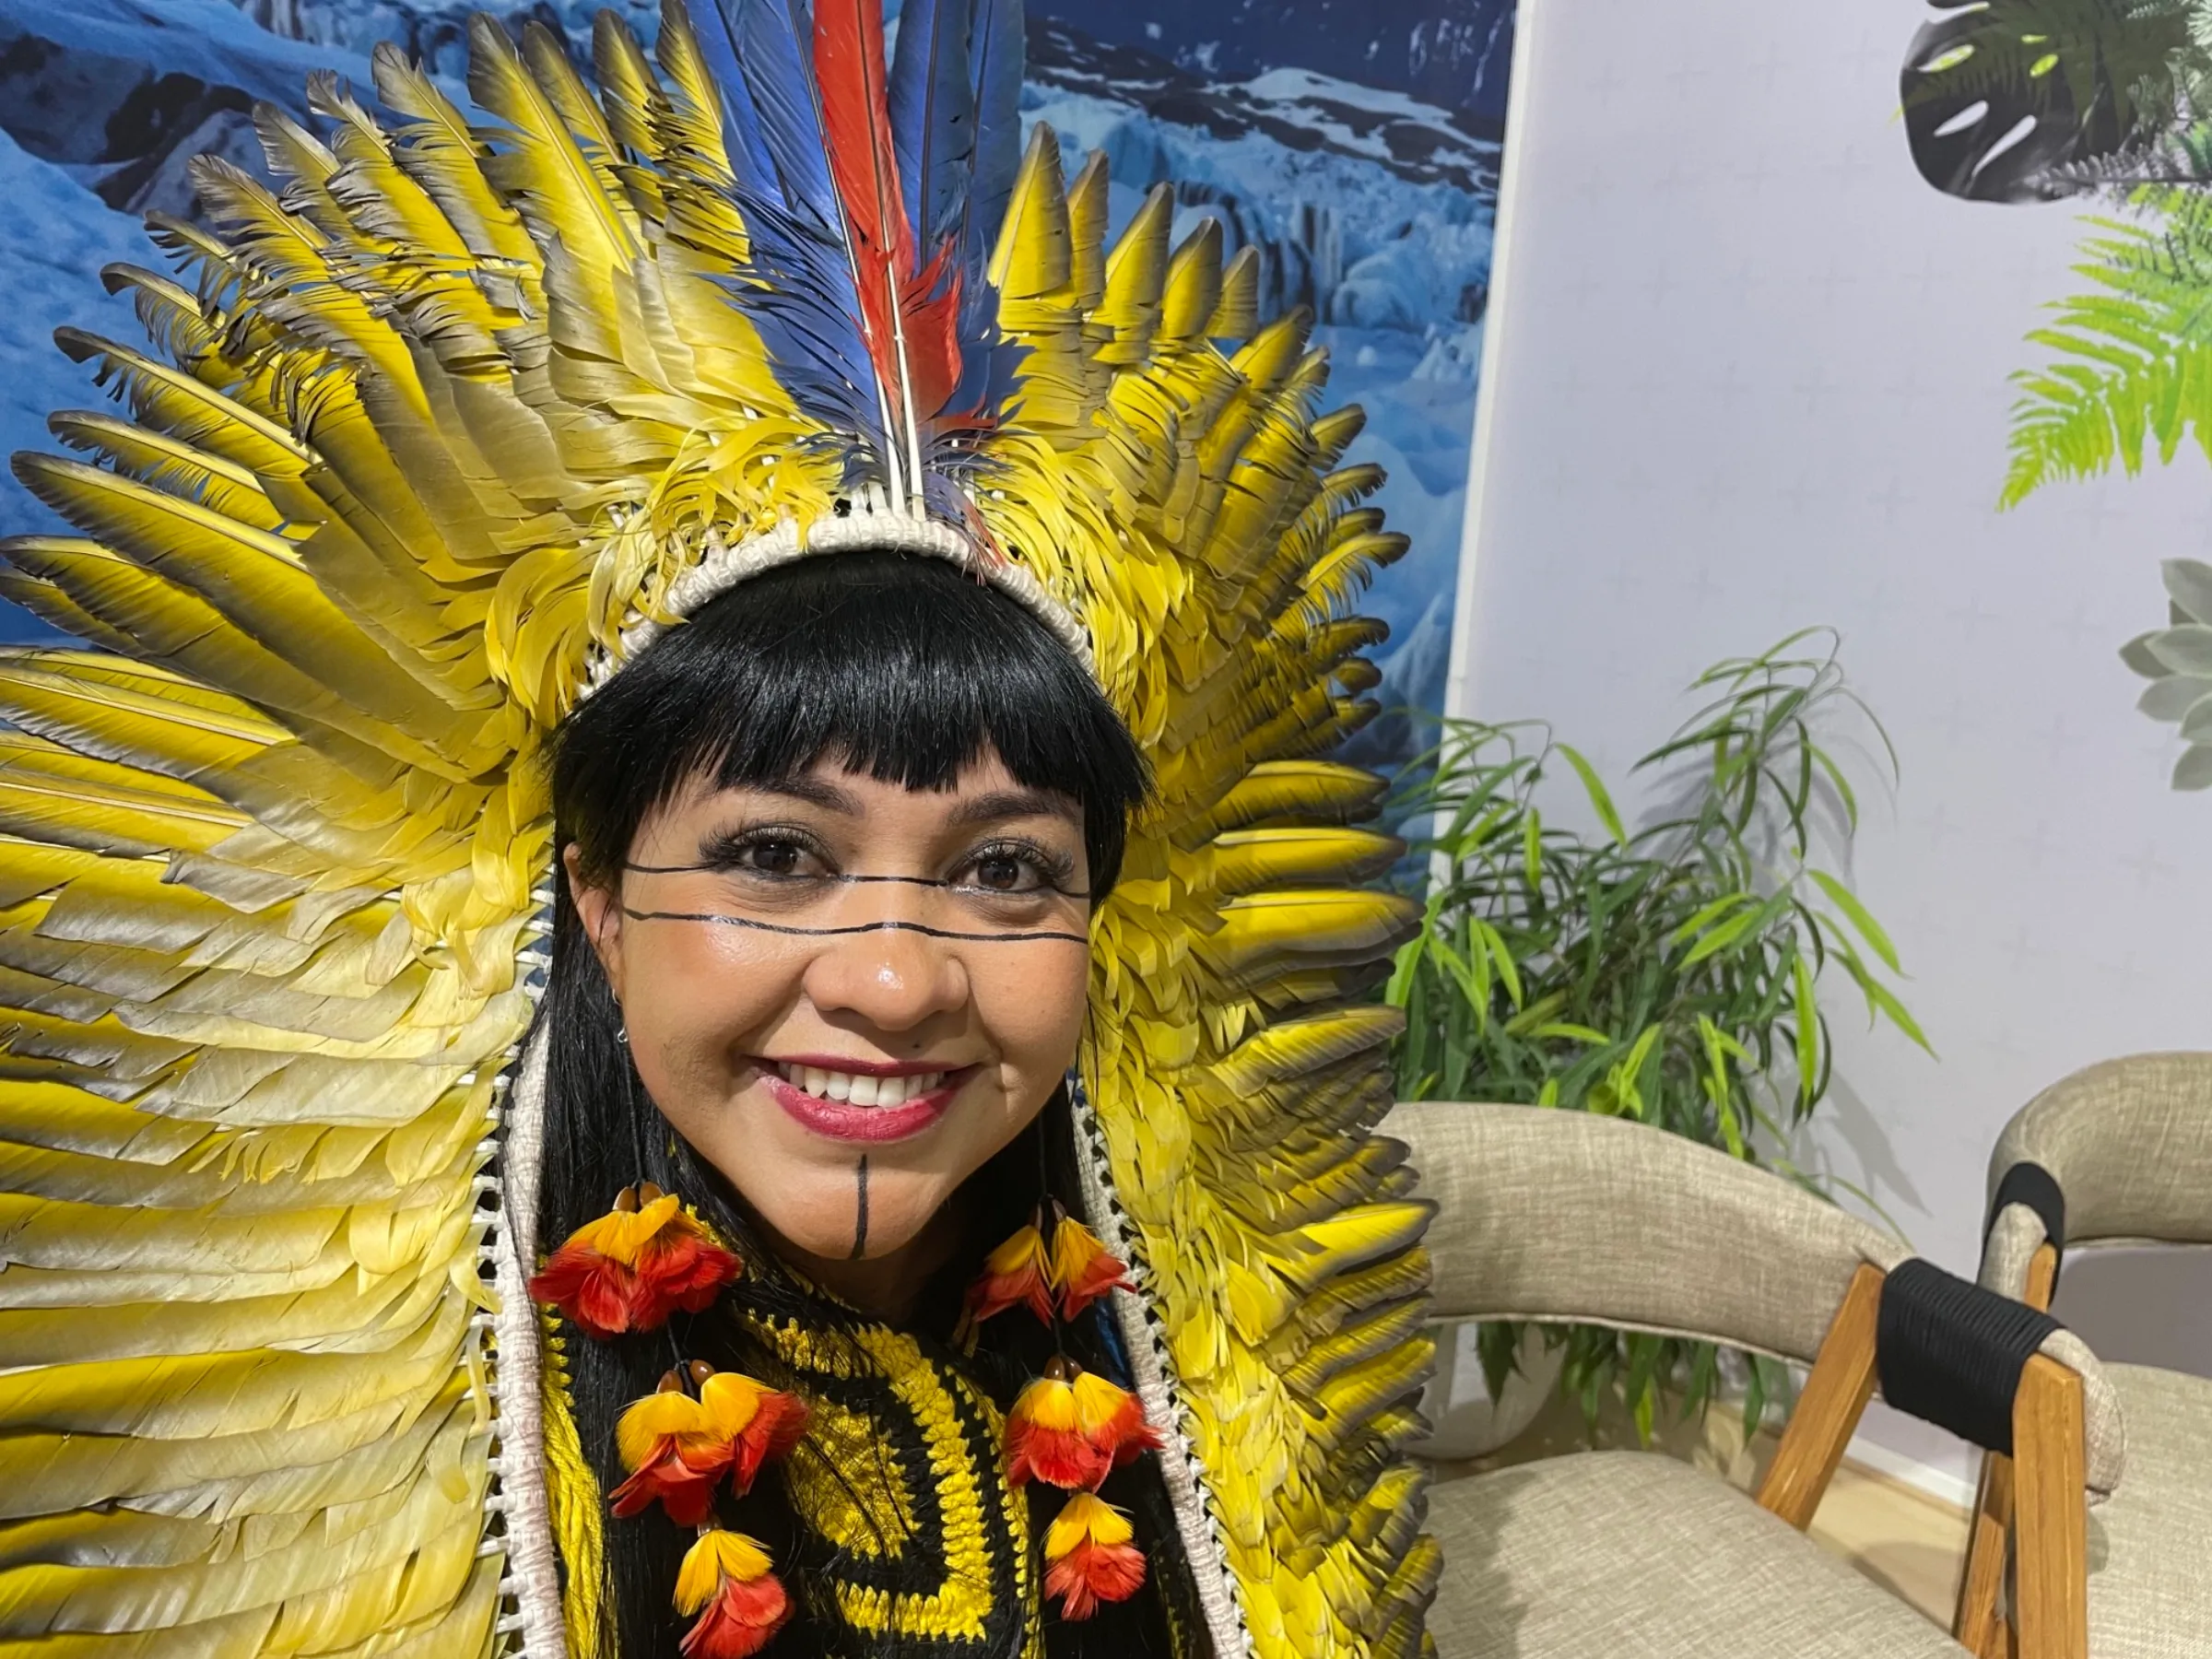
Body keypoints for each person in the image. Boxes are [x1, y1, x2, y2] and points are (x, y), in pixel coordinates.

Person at [0, 2, 1437, 1655]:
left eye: (1005, 869)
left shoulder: (1168, 1387)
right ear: (596, 896)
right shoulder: (450, 1459)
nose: (895, 983)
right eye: (773, 856)